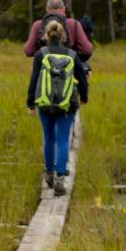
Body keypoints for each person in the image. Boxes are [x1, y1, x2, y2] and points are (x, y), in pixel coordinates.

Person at [26, 17, 82, 194]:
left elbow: (34, 80)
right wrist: (84, 97)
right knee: (63, 139)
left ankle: (49, 175)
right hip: (67, 104)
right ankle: (60, 179)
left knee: (48, 138)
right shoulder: (72, 55)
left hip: (44, 103)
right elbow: (82, 80)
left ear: (46, 36)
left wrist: (30, 102)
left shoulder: (40, 54)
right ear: (63, 35)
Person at [23, 0, 94, 59]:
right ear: (64, 9)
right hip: (68, 68)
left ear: (47, 9)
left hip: (44, 69)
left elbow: (28, 51)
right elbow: (87, 50)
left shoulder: (38, 24)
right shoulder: (73, 24)